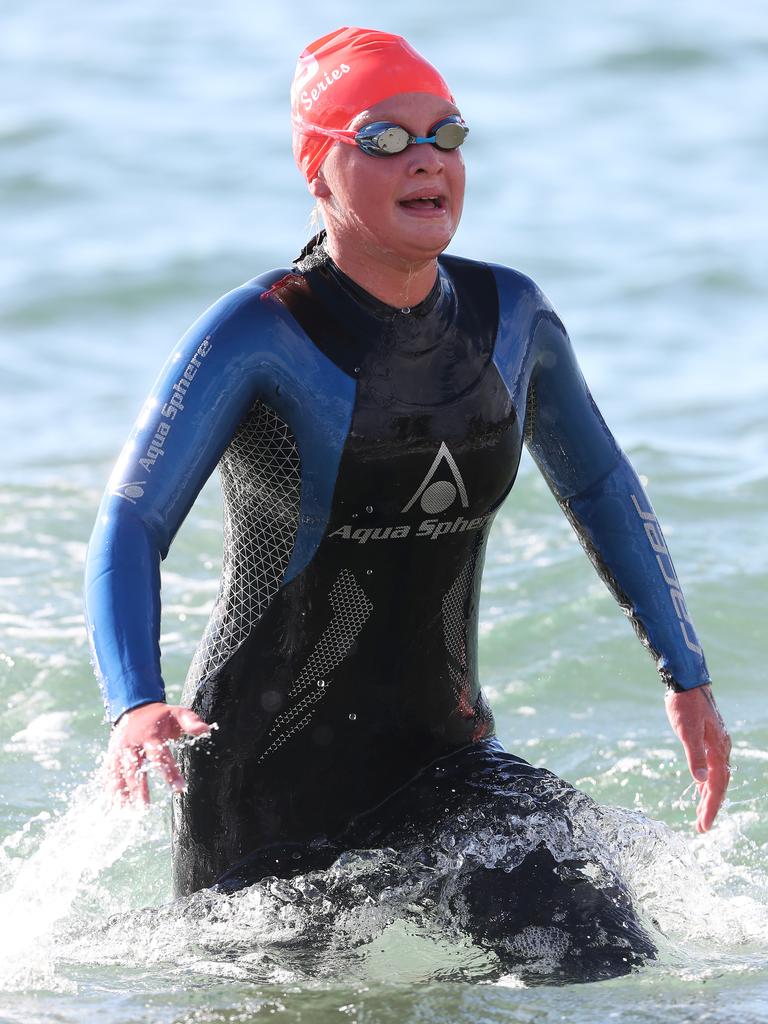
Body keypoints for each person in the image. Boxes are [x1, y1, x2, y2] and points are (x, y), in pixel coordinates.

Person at [85, 27, 731, 981]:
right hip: (267, 789)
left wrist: (686, 674)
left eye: (448, 134)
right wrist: (135, 703)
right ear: (320, 166)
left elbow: (598, 485)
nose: (427, 158)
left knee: (599, 946)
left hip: (448, 760)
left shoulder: (512, 319)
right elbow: (132, 521)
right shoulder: (260, 333)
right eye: (384, 137)